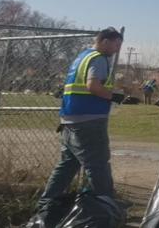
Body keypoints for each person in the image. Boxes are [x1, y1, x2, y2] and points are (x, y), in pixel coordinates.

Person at [37, 27, 124, 212]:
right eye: (116, 45)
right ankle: (104, 208)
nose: (117, 50)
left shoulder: (82, 57)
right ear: (105, 41)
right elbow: (93, 85)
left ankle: (45, 205)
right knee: (98, 164)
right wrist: (114, 96)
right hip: (89, 120)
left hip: (69, 119)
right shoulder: (99, 58)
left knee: (67, 165)